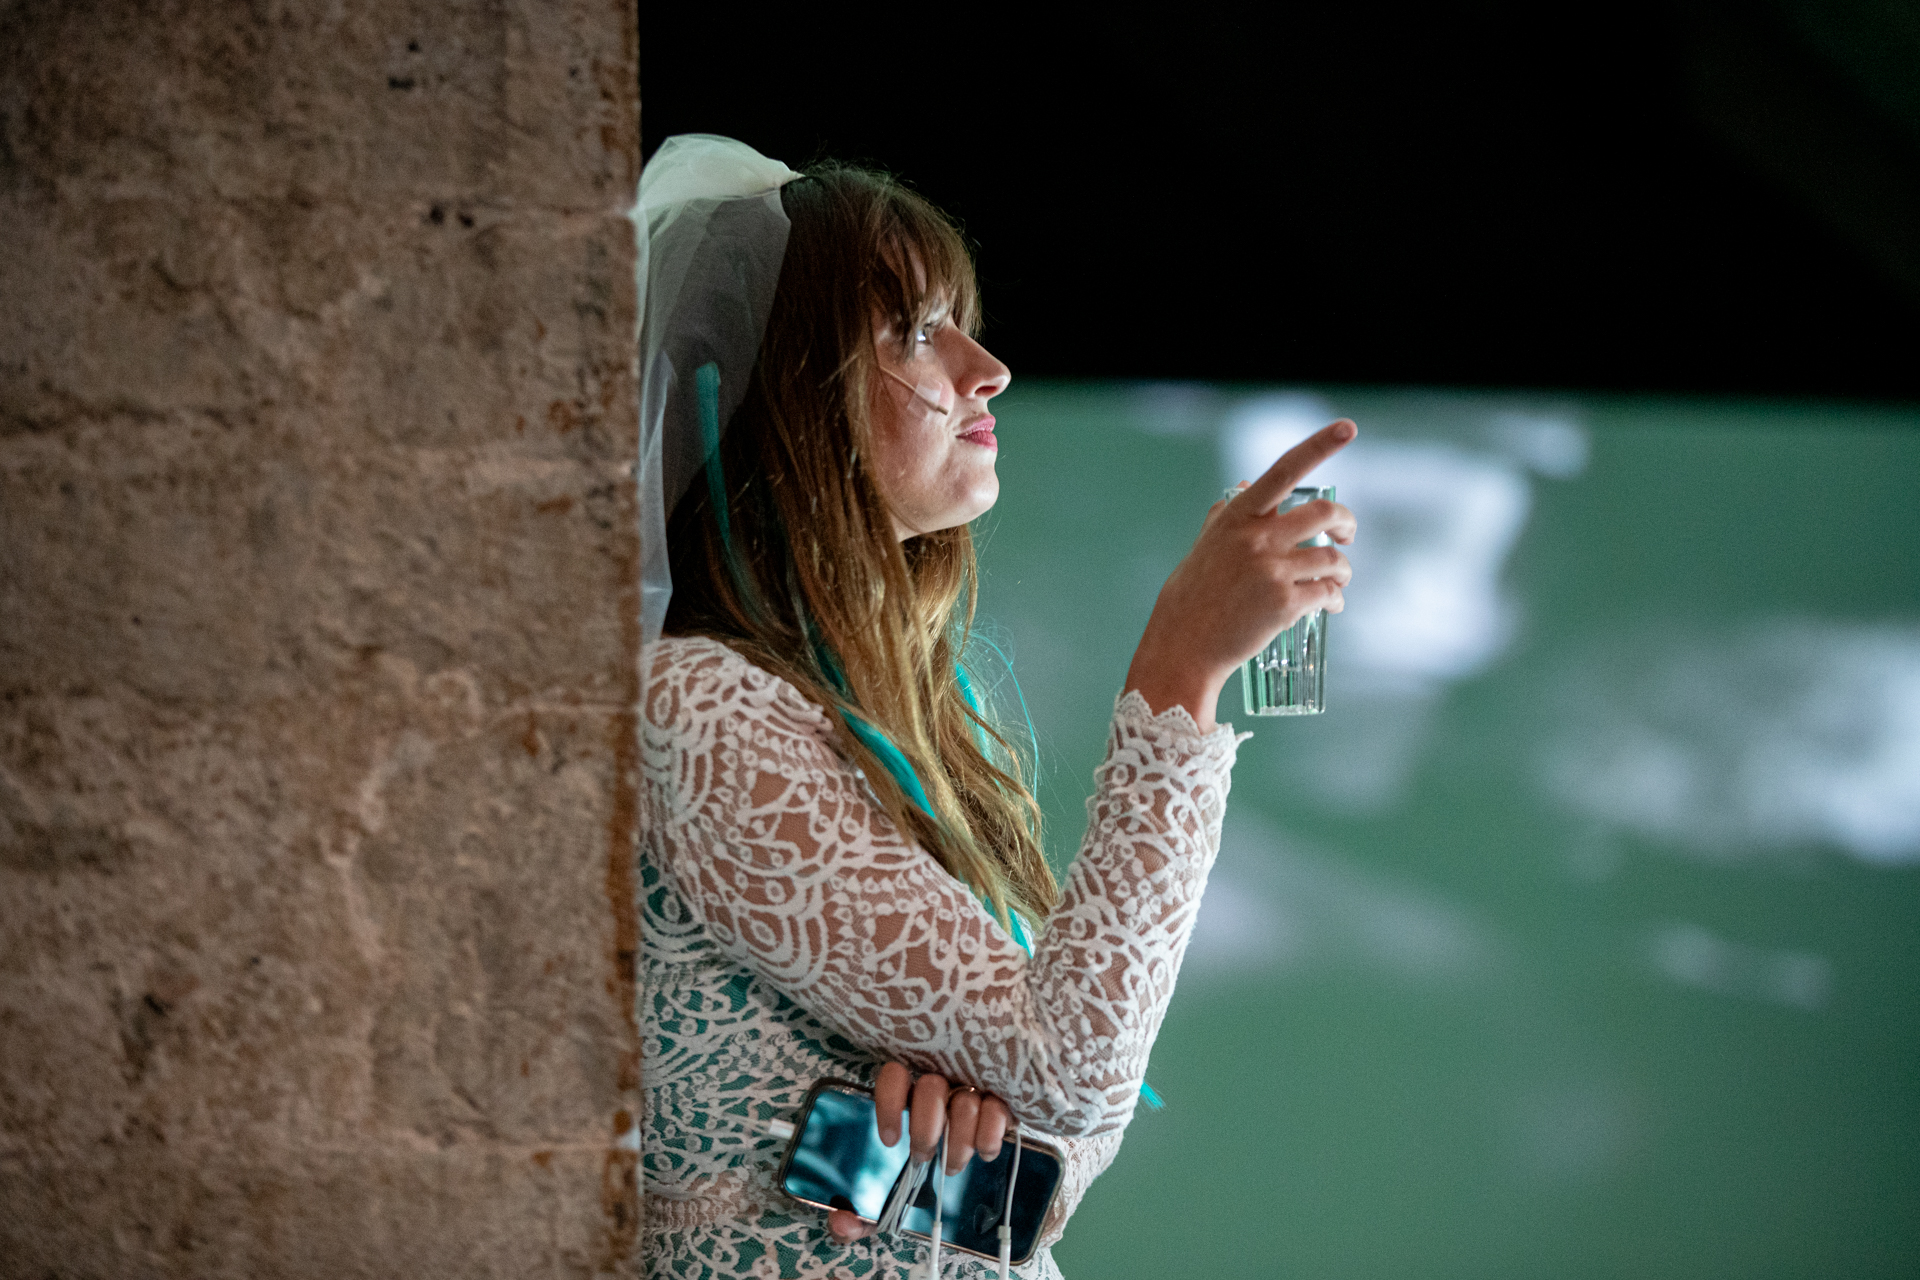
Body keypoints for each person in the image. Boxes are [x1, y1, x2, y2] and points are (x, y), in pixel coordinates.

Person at [637, 136, 1355, 1279]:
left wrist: (967, 1144)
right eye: (916, 330)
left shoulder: (872, 704)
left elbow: (1048, 1164)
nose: (990, 368)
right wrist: (1181, 666)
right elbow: (1076, 1067)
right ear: (792, 391)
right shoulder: (698, 709)